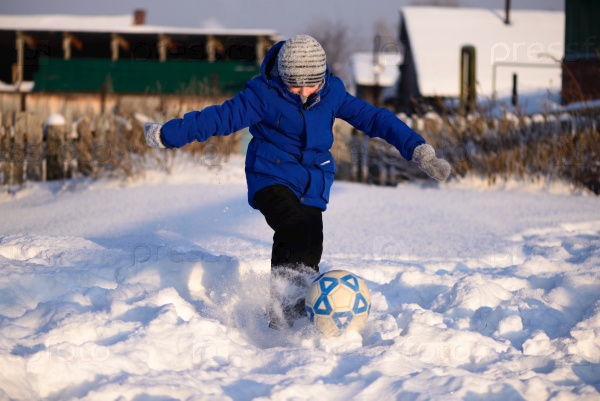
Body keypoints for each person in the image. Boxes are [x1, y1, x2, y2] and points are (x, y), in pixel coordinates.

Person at [144, 34, 451, 329]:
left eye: (311, 84)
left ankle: (301, 310)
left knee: (309, 248)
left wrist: (418, 150)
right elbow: (218, 118)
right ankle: (281, 319)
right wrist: (167, 134)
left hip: (312, 183)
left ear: (323, 76)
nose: (304, 92)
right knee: (293, 228)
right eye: (295, 85)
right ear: (282, 76)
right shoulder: (262, 94)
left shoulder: (334, 92)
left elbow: (375, 119)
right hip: (269, 176)